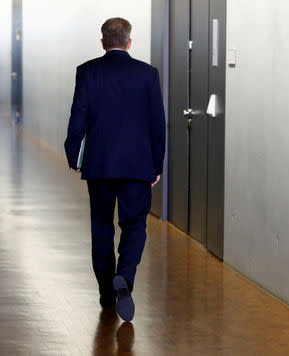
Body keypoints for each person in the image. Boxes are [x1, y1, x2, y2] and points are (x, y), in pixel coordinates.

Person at [64, 17, 166, 322]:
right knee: (135, 225)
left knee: (101, 226)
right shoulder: (148, 74)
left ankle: (107, 293)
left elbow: (78, 116)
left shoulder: (87, 72)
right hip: (138, 165)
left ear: (103, 42)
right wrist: (156, 165)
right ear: (129, 42)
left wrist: (74, 156)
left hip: (100, 164)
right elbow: (156, 124)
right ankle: (125, 277)